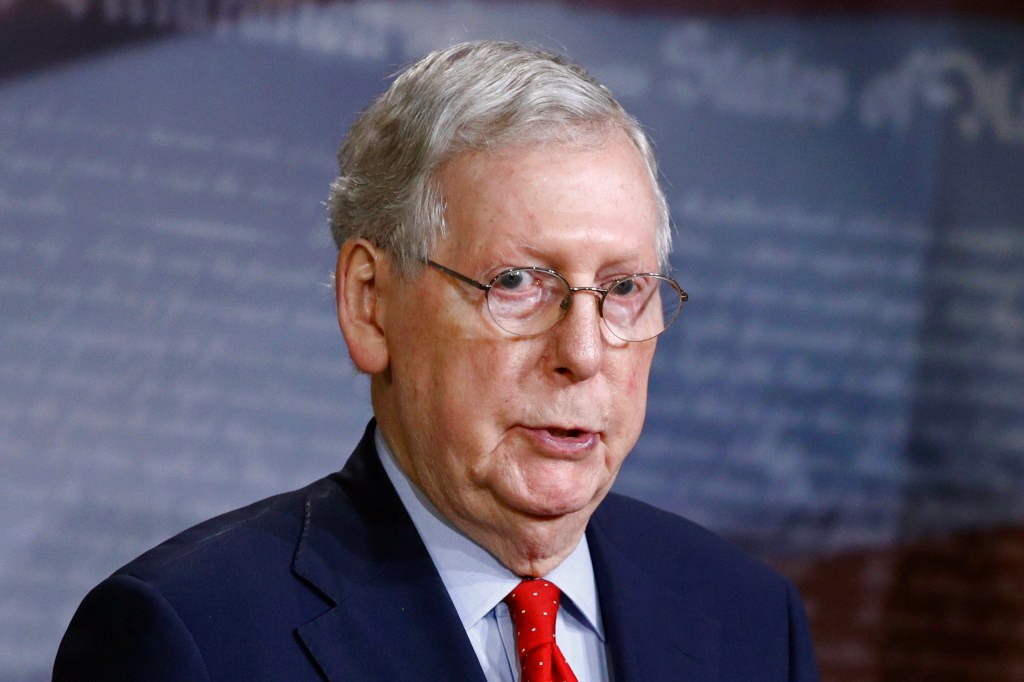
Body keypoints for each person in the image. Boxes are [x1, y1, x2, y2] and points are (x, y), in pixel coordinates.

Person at [54, 40, 819, 681]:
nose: (582, 354)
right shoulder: (189, 640)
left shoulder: (750, 623)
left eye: (622, 289)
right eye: (516, 282)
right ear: (370, 303)